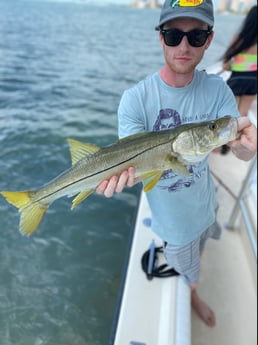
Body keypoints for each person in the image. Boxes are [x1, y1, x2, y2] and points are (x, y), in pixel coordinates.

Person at [96, 0, 257, 328]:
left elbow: (234, 139)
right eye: (173, 35)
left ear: (209, 39)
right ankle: (192, 292)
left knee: (202, 248)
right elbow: (128, 161)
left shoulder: (218, 90)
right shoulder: (135, 100)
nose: (183, 46)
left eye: (196, 36)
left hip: (208, 204)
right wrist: (118, 176)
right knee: (189, 268)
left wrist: (246, 149)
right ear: (160, 37)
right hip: (174, 224)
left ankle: (192, 276)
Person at [222, 5, 257, 118]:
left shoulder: (238, 39)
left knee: (230, 116)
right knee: (243, 115)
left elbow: (225, 66)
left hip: (236, 80)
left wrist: (239, 64)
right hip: (253, 82)